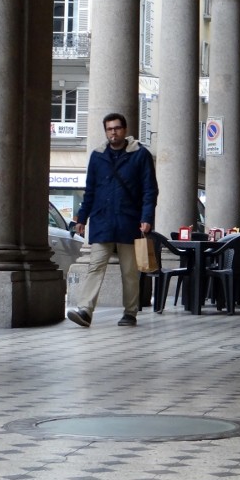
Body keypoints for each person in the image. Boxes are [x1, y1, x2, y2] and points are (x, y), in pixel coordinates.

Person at [67, 112, 159, 328]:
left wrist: (146, 217)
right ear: (105, 131)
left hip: (129, 221)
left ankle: (130, 312)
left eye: (117, 128)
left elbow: (149, 190)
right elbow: (90, 190)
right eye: (109, 129)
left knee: (129, 271)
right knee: (95, 266)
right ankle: (85, 310)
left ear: (124, 130)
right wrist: (82, 217)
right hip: (102, 220)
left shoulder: (140, 155)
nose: (113, 133)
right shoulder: (97, 156)